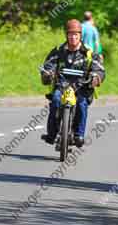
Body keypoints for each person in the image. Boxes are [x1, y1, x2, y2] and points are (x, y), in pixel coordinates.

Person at [40, 18, 105, 148]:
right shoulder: (59, 51)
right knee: (56, 100)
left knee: (82, 103)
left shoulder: (89, 53)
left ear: (80, 36)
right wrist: (48, 73)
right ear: (66, 35)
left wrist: (95, 77)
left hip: (82, 87)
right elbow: (48, 65)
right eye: (70, 34)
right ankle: (52, 134)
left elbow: (100, 70)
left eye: (76, 34)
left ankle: (79, 135)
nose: (73, 37)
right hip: (62, 86)